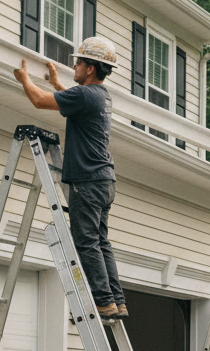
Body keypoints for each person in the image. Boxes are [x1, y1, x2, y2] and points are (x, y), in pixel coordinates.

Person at [14, 37, 127, 323]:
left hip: (87, 181)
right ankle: (116, 301)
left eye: (77, 62)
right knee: (100, 242)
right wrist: (56, 83)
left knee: (86, 242)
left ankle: (102, 302)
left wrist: (24, 78)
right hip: (105, 180)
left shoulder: (85, 96)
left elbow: (39, 101)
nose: (73, 65)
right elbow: (71, 101)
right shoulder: (100, 96)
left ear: (90, 68)